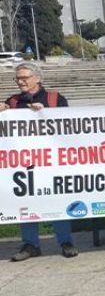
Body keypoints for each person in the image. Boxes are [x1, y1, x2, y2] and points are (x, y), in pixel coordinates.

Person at [0, 63, 78, 261]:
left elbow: (69, 125)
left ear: (37, 78)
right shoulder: (13, 101)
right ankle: (30, 244)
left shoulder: (54, 98)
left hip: (51, 161)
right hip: (23, 163)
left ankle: (65, 241)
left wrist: (46, 113)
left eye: (24, 77)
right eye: (17, 78)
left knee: (57, 199)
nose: (20, 81)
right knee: (26, 201)